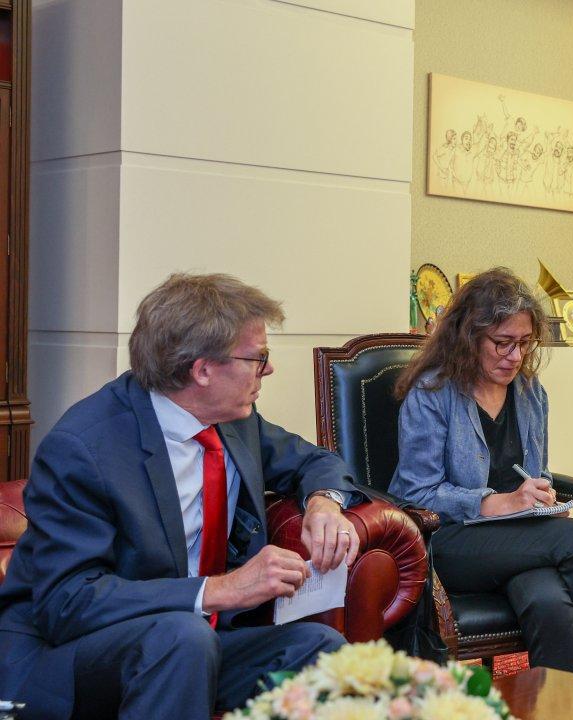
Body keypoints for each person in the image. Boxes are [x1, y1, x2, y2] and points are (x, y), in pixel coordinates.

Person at [0, 273, 364, 719]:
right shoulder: (84, 448)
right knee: (182, 638)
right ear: (203, 370)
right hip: (71, 656)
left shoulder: (234, 419)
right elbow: (67, 603)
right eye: (259, 357)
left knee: (320, 650)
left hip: (192, 642)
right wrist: (220, 589)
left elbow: (314, 460)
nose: (267, 370)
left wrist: (324, 502)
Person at [389, 268, 573, 675]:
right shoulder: (432, 393)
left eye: (525, 343)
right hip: (451, 542)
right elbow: (415, 494)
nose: (515, 356)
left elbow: (537, 471)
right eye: (503, 343)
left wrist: (541, 497)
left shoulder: (530, 391)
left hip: (518, 541)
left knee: (548, 601)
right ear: (469, 336)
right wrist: (497, 502)